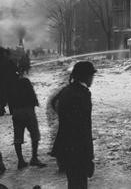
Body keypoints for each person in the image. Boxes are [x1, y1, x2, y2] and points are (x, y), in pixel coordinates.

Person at [52, 61, 96, 189]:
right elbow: (83, 128)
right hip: (77, 148)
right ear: (85, 76)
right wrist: (88, 155)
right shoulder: (80, 94)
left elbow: (55, 103)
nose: (92, 79)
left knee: (74, 182)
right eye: (91, 76)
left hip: (67, 145)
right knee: (79, 183)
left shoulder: (68, 90)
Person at [8, 65, 46, 169]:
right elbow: (32, 94)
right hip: (28, 111)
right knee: (35, 135)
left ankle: (20, 160)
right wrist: (35, 103)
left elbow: (9, 100)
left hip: (16, 112)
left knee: (18, 137)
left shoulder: (11, 84)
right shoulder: (25, 81)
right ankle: (34, 158)